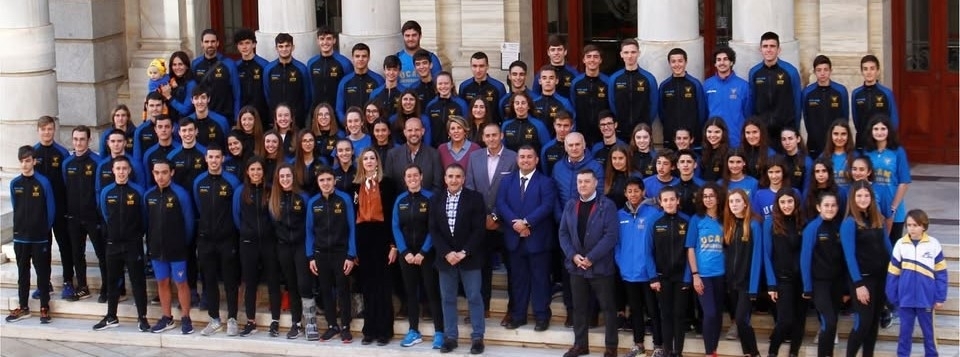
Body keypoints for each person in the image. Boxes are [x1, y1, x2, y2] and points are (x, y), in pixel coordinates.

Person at [557, 169, 620, 357]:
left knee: (608, 308)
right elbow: (563, 233)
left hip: (600, 266)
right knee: (579, 308)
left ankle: (611, 348)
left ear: (595, 183)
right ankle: (580, 345)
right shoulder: (570, 205)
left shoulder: (606, 205)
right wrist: (573, 255)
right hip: (577, 267)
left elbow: (611, 236)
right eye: (579, 182)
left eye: (586, 181)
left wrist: (591, 257)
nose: (582, 185)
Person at [496, 146, 557, 332]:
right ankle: (519, 316)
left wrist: (527, 222)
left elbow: (547, 206)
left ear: (537, 160)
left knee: (540, 279)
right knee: (518, 280)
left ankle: (541, 316)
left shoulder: (546, 182)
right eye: (522, 157)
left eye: (529, 157)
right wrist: (516, 224)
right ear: (517, 160)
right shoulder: (507, 181)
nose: (525, 160)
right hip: (514, 238)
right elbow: (501, 203)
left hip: (537, 239)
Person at [430, 164, 488, 354]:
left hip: (469, 257)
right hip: (445, 258)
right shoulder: (435, 198)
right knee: (447, 298)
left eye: (457, 176)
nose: (454, 180)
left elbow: (479, 230)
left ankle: (478, 337)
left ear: (463, 179)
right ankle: (451, 337)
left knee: (474, 297)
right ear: (445, 179)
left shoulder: (475, 198)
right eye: (450, 176)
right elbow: (434, 230)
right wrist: (447, 252)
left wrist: (464, 252)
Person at [465, 123, 518, 323]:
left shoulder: (513, 158)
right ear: (483, 137)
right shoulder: (475, 157)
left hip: (504, 224)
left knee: (512, 268)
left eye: (495, 135)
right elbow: (470, 187)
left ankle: (512, 309)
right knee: (481, 267)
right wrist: (482, 218)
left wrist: (496, 216)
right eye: (487, 135)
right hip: (481, 224)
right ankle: (482, 307)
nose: (491, 139)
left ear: (501, 135)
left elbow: (513, 191)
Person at [93, 155, 150, 331]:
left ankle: (142, 317)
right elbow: (104, 214)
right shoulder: (106, 192)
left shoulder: (138, 191)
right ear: (113, 171)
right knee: (112, 281)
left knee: (138, 281)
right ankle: (111, 316)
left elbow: (145, 218)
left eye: (124, 169)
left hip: (133, 244)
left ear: (129, 170)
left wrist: (137, 235)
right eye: (118, 169)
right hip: (112, 244)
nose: (121, 172)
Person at [192, 145, 242, 336]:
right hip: (205, 240)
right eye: (210, 157)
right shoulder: (199, 182)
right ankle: (214, 319)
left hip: (227, 239)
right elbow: (198, 207)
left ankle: (232, 318)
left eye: (217, 157)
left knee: (230, 280)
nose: (213, 160)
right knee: (209, 280)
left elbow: (236, 209)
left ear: (222, 159)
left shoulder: (232, 181)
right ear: (206, 159)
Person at [393, 164, 444, 348]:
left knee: (432, 291)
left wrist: (423, 251)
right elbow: (396, 227)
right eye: (409, 176)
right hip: (406, 255)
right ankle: (413, 331)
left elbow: (434, 227)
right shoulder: (400, 200)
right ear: (404, 179)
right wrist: (404, 252)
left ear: (421, 177)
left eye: (416, 175)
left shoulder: (431, 198)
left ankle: (439, 331)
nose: (412, 179)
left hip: (427, 255)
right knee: (410, 293)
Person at [351, 148, 399, 345]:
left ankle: (384, 330)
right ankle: (369, 329)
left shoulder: (388, 184)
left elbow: (393, 216)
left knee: (383, 286)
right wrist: (353, 249)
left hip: (382, 237)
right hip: (363, 238)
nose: (369, 161)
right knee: (368, 286)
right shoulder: (354, 186)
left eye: (372, 158)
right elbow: (352, 219)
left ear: (378, 162)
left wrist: (393, 245)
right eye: (365, 159)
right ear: (361, 163)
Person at [840, 180, 892, 356]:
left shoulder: (878, 219)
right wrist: (858, 284)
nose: (863, 199)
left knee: (873, 323)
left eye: (866, 195)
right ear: (853, 198)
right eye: (859, 196)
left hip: (881, 278)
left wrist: (896, 271)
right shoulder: (849, 222)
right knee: (863, 323)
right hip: (863, 280)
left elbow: (888, 248)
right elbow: (849, 256)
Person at [887, 209, 948, 357]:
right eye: (909, 225)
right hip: (905, 300)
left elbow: (941, 273)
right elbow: (893, 273)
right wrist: (893, 296)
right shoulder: (900, 244)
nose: (911, 228)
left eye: (915, 225)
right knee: (904, 335)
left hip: (926, 299)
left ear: (923, 226)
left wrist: (940, 297)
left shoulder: (933, 244)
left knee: (929, 335)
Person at [306, 167, 358, 343]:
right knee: (326, 290)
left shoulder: (344, 199)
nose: (326, 183)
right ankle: (331, 326)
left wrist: (351, 255)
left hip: (341, 253)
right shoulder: (313, 203)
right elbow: (309, 232)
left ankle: (345, 326)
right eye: (322, 180)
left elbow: (352, 227)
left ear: (334, 180)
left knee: (343, 290)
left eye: (329, 179)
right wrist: (310, 256)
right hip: (321, 254)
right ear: (318, 182)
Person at [144, 158, 195, 334]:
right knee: (162, 282)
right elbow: (147, 222)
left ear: (171, 172)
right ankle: (167, 317)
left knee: (181, 282)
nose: (160, 176)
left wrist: (182, 243)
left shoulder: (180, 194)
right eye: (157, 173)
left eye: (164, 172)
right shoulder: (149, 195)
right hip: (157, 249)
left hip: (177, 248)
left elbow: (188, 223)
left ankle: (186, 317)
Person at [232, 156, 281, 336]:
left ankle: (275, 321)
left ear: (263, 171)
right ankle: (251, 321)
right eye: (252, 169)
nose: (255, 173)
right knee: (249, 282)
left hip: (269, 243)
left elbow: (276, 214)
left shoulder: (271, 190)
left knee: (273, 282)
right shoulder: (241, 192)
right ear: (247, 172)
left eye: (258, 169)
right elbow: (237, 217)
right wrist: (248, 232)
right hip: (248, 243)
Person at [6, 146, 55, 324]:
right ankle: (23, 307)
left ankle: (44, 307)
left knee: (42, 274)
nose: (25, 164)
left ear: (34, 161)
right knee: (22, 273)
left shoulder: (43, 182)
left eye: (28, 160)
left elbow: (50, 209)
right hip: (20, 237)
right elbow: (15, 206)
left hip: (39, 236)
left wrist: (43, 228)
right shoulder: (14, 183)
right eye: (22, 161)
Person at [615, 178, 661, 357]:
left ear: (643, 192)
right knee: (635, 311)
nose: (633, 194)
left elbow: (657, 244)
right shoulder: (620, 215)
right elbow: (616, 244)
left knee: (653, 310)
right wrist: (621, 263)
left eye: (636, 190)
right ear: (625, 193)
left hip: (648, 273)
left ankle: (658, 345)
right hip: (628, 273)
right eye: (629, 191)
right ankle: (638, 343)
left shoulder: (653, 213)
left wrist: (654, 269)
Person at [646, 186, 691, 357]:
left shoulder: (686, 221)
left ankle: (677, 352)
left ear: (678, 200)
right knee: (665, 315)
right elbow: (648, 251)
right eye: (665, 200)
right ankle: (666, 350)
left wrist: (688, 278)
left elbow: (690, 252)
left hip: (681, 278)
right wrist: (652, 277)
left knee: (679, 315)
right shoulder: (654, 221)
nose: (669, 203)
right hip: (661, 278)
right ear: (660, 202)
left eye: (672, 199)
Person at [762, 187, 807, 357]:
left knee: (799, 321)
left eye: (790, 201)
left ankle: (793, 353)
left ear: (796, 202)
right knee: (785, 320)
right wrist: (771, 284)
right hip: (782, 279)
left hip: (802, 281)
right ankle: (772, 352)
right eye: (782, 202)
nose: (786, 205)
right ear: (777, 204)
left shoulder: (803, 223)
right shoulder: (770, 224)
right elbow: (767, 255)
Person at [268, 163, 310, 338]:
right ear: (278, 179)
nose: (285, 179)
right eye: (282, 176)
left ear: (293, 177)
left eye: (288, 176)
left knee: (304, 285)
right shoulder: (274, 200)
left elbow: (309, 225)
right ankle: (296, 323)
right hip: (283, 247)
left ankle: (310, 322)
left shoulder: (303, 197)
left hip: (301, 246)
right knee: (291, 285)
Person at [62, 125, 104, 301]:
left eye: (82, 139)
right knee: (77, 254)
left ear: (89, 140)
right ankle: (82, 286)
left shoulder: (97, 162)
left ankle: (107, 287)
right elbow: (65, 186)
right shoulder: (67, 163)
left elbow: (100, 189)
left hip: (92, 216)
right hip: (73, 217)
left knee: (101, 252)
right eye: (76, 139)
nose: (79, 143)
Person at [800, 191, 845, 357]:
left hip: (837, 283)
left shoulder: (841, 226)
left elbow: (845, 257)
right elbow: (805, 259)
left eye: (833, 205)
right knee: (829, 322)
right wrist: (807, 287)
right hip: (820, 284)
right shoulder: (812, 228)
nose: (830, 208)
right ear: (819, 207)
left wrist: (847, 287)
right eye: (826, 205)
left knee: (833, 323)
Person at [721, 189, 764, 357]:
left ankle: (754, 353)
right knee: (740, 322)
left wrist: (754, 287)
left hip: (747, 283)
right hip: (733, 283)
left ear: (745, 203)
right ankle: (748, 353)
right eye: (731, 202)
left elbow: (757, 257)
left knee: (741, 319)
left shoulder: (753, 225)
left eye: (738, 201)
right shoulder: (730, 225)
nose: (734, 205)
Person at [686, 183, 725, 357]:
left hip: (722, 274)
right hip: (704, 275)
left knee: (717, 313)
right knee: (709, 313)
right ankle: (709, 352)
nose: (709, 199)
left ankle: (714, 348)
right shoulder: (696, 219)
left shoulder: (726, 218)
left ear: (718, 198)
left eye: (712, 195)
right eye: (705, 196)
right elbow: (691, 248)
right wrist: (695, 275)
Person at [32, 116, 69, 300]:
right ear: (38, 131)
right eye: (43, 129)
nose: (47, 132)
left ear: (54, 130)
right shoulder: (32, 153)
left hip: (60, 207)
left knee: (65, 245)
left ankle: (68, 282)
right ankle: (44, 283)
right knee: (41, 248)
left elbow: (66, 181)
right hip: (40, 211)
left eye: (50, 129)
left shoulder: (62, 152)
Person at [863, 115, 911, 247]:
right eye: (876, 129)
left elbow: (904, 182)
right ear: (871, 131)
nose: (879, 132)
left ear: (889, 130)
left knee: (892, 248)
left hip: (894, 209)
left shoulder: (898, 152)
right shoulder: (867, 152)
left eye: (883, 128)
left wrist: (893, 208)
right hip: (873, 208)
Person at [748, 32, 802, 150]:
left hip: (785, 131)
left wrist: (794, 128)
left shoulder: (790, 71)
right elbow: (751, 102)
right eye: (765, 46)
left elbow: (797, 101)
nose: (769, 50)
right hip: (763, 131)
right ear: (760, 49)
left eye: (772, 46)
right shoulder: (754, 73)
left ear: (779, 49)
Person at [608, 38, 658, 142]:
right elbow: (612, 103)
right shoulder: (614, 79)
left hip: (642, 132)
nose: (629, 56)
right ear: (621, 54)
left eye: (633, 52)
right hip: (621, 131)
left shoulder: (649, 78)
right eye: (626, 52)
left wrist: (645, 123)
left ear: (638, 53)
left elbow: (654, 105)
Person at [802, 55, 849, 159]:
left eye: (825, 70)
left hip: (836, 143)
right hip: (814, 143)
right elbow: (806, 117)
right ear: (814, 72)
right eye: (819, 70)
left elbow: (844, 117)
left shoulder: (841, 91)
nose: (822, 73)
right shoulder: (807, 92)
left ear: (830, 70)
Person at [659, 48, 707, 150]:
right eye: (673, 61)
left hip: (691, 138)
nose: (677, 64)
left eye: (680, 61)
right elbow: (661, 112)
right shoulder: (664, 86)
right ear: (669, 63)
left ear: (686, 62)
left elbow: (702, 112)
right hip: (670, 137)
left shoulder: (695, 84)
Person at [704, 47, 751, 148]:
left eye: (725, 59)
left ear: (731, 62)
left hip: (736, 141)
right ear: (715, 64)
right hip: (714, 141)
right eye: (719, 60)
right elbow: (704, 112)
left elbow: (748, 114)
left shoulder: (743, 86)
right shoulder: (707, 85)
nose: (722, 63)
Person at [852, 55, 900, 151]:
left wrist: (886, 138)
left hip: (882, 142)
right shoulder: (856, 94)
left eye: (872, 69)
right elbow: (856, 119)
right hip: (863, 141)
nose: (869, 72)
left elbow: (894, 119)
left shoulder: (886, 93)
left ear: (878, 71)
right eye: (865, 69)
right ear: (862, 72)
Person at [263, 33, 311, 129]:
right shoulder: (269, 69)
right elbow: (267, 94)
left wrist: (299, 113)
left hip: (297, 119)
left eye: (287, 46)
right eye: (280, 46)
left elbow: (307, 95)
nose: (284, 49)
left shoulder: (302, 68)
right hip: (276, 119)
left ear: (292, 47)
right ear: (276, 48)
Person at [384, 117, 443, 192]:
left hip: (428, 202)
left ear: (423, 131)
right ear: (405, 132)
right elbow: (388, 187)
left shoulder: (434, 154)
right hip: (400, 202)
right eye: (410, 130)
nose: (413, 133)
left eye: (417, 130)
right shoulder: (392, 155)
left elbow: (437, 186)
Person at [192, 29, 240, 122]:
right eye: (206, 42)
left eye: (213, 41)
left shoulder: (229, 64)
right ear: (202, 44)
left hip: (225, 116)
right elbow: (193, 92)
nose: (210, 45)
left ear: (217, 43)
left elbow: (237, 94)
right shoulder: (195, 64)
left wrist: (236, 118)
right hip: (202, 116)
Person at [570, 45, 611, 145]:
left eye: (595, 57)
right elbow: (573, 106)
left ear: (600, 60)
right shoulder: (576, 83)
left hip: (603, 132)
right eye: (588, 56)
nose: (592, 60)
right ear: (584, 60)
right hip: (582, 132)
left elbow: (612, 106)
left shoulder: (608, 82)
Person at [308, 26, 354, 112]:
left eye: (329, 39)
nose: (325, 42)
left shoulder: (344, 63)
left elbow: (349, 89)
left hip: (337, 111)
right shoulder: (311, 63)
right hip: (317, 111)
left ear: (334, 40)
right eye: (322, 39)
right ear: (318, 41)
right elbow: (310, 89)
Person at [335, 43, 385, 121]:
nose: (360, 59)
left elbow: (383, 108)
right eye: (357, 56)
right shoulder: (344, 82)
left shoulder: (378, 80)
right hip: (352, 128)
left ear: (369, 58)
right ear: (353, 58)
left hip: (372, 128)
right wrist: (347, 124)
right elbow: (339, 110)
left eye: (364, 56)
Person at [233, 29, 270, 128]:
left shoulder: (264, 65)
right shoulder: (235, 67)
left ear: (254, 44)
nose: (244, 47)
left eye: (247, 43)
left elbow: (268, 91)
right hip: (242, 116)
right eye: (241, 44)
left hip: (262, 115)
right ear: (237, 46)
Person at [459, 51, 507, 124]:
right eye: (474, 66)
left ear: (487, 66)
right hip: (471, 130)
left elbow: (503, 113)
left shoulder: (498, 87)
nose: (478, 70)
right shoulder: (464, 86)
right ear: (471, 66)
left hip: (492, 130)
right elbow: (462, 111)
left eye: (481, 66)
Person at [425, 71, 468, 146]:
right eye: (440, 84)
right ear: (436, 86)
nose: (443, 86)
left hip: (456, 147)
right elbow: (427, 130)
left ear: (451, 85)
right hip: (435, 148)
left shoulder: (461, 104)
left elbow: (466, 127)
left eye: (446, 83)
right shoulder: (430, 106)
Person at [532, 34, 580, 102]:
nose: (556, 53)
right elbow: (535, 98)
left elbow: (577, 99)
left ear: (565, 52)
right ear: (548, 52)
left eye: (559, 49)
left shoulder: (574, 74)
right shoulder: (541, 74)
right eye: (553, 50)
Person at [396, 20, 442, 89]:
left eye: (414, 35)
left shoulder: (431, 58)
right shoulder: (397, 58)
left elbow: (439, 83)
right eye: (407, 36)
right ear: (403, 37)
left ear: (420, 36)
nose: (410, 39)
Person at [532, 65, 575, 134]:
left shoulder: (564, 102)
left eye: (551, 78)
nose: (548, 81)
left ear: (556, 81)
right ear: (540, 81)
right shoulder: (533, 103)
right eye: (544, 78)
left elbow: (572, 124)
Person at [134, 93, 170, 162]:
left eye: (158, 105)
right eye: (151, 105)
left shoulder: (172, 127)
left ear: (163, 106)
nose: (155, 109)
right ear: (147, 106)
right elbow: (137, 159)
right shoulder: (140, 131)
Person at [821, 119, 856, 190]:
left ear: (848, 136)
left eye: (843, 134)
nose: (839, 138)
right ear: (831, 135)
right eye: (836, 134)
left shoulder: (856, 156)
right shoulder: (823, 157)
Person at [162, 51, 197, 120]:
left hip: (184, 124)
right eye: (174, 65)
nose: (177, 67)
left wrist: (169, 97)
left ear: (186, 66)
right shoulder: (169, 79)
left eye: (180, 64)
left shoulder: (191, 83)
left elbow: (185, 110)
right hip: (167, 123)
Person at [370, 55, 405, 119]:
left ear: (399, 71)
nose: (391, 73)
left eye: (395, 70)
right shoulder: (375, 93)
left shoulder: (405, 93)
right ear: (384, 70)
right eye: (388, 69)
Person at [540, 111, 573, 176]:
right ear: (554, 125)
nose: (562, 129)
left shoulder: (577, 146)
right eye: (559, 125)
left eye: (566, 126)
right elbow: (545, 173)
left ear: (571, 126)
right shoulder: (546, 149)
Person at [780, 127, 812, 193]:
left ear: (798, 139)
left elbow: (807, 188)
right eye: (784, 139)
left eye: (790, 138)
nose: (787, 142)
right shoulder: (780, 160)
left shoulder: (807, 161)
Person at [699, 118, 731, 182]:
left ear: (723, 133)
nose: (713, 135)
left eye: (717, 132)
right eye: (709, 132)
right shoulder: (702, 151)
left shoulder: (729, 153)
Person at [603, 145, 635, 209]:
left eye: (621, 158)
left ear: (627, 158)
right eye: (614, 158)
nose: (617, 162)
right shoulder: (608, 174)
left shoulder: (634, 176)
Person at [675, 149, 704, 217]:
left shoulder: (703, 187)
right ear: (677, 165)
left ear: (695, 165)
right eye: (682, 162)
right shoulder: (672, 187)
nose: (685, 165)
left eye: (689, 162)